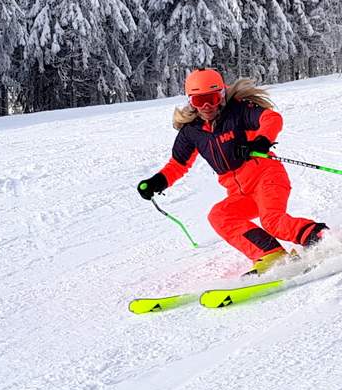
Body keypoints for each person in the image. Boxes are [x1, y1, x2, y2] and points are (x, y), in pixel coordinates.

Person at [137, 69, 327, 274]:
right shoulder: (191, 131)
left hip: (267, 177)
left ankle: (323, 239)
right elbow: (178, 164)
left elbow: (271, 118)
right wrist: (157, 182)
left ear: (222, 95)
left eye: (212, 98)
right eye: (200, 101)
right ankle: (270, 254)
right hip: (239, 193)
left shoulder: (239, 111)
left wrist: (261, 141)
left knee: (272, 221)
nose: (207, 106)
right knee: (220, 216)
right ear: (191, 102)